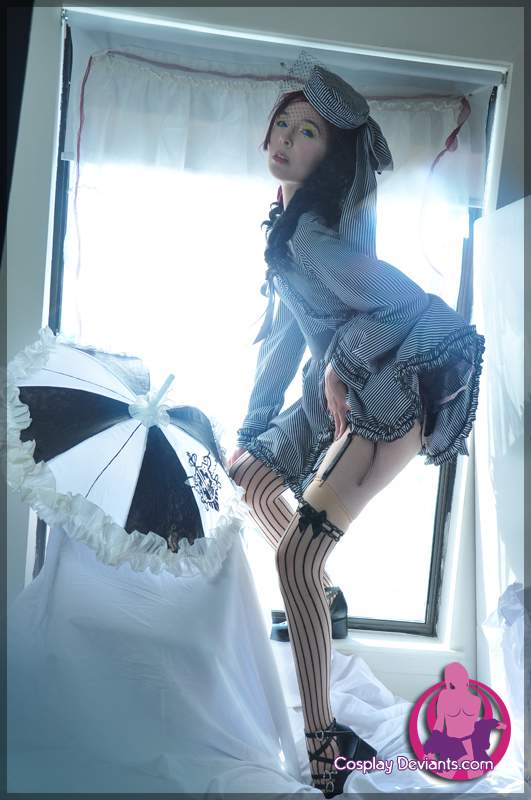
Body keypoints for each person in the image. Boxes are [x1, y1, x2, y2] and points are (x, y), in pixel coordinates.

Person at [226, 59, 485, 798]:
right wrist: (252, 426)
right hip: (340, 386)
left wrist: (340, 364)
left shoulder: (314, 237)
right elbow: (284, 335)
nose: (285, 138)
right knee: (250, 479)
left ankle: (322, 744)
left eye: (306, 132)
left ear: (332, 153)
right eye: (282, 123)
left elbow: (405, 303)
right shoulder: (290, 229)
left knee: (294, 559)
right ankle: (325, 596)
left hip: (386, 390)